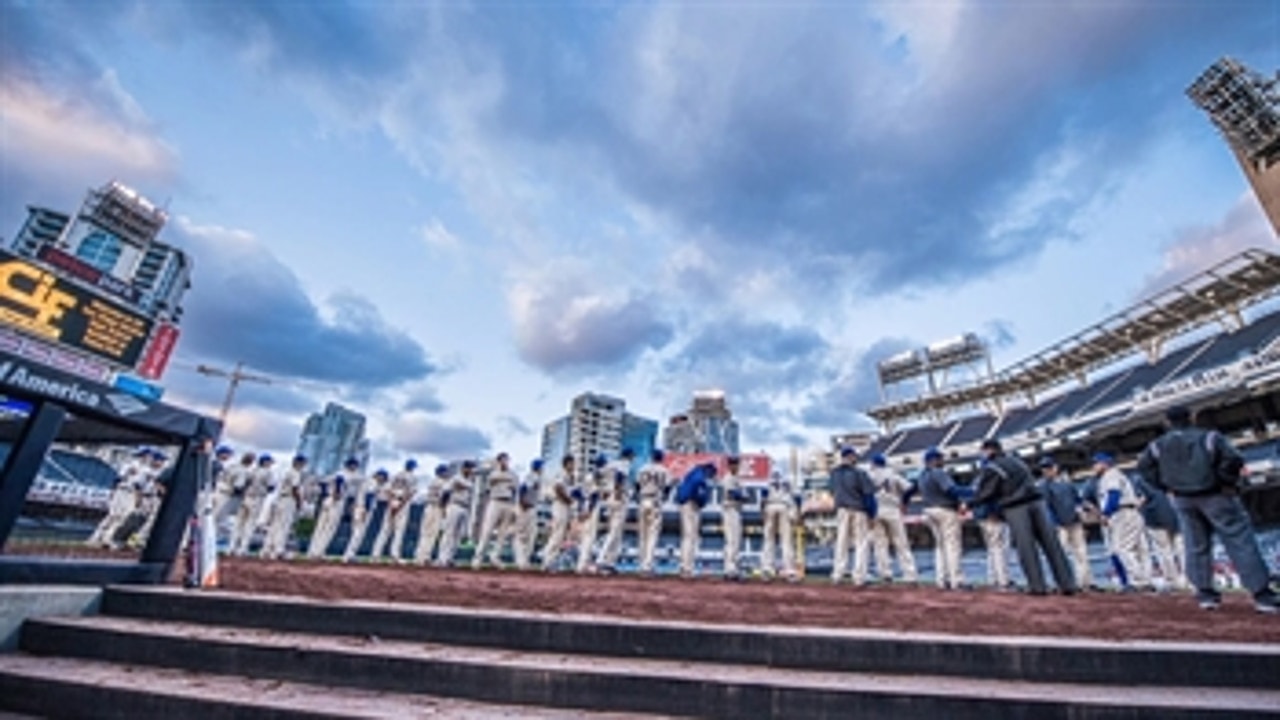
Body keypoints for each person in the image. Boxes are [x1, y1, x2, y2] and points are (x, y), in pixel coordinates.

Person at [1137, 405, 1278, 613]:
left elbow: (1144, 469)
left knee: (1195, 544)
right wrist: (1224, 480)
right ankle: (1262, 595)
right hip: (1215, 494)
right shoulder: (1210, 437)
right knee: (1239, 541)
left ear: (1167, 422)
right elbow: (1234, 459)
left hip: (1183, 498)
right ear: (1192, 417)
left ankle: (1206, 595)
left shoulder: (1157, 445)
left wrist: (1166, 486)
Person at [973, 440, 1076, 596]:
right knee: (1052, 544)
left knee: (1026, 547)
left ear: (989, 450)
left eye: (983, 451)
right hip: (1037, 502)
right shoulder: (1018, 462)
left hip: (1016, 506)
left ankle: (1037, 586)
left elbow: (986, 493)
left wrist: (969, 504)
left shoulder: (993, 467)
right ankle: (1067, 584)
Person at [1094, 453, 1151, 591]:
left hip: (1123, 513)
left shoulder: (1110, 475)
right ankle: (1145, 580)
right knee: (1139, 549)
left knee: (1122, 549)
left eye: (1097, 463)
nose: (1094, 466)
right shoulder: (1118, 475)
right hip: (1131, 512)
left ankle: (1138, 581)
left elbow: (1114, 495)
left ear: (1105, 464)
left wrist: (1106, 513)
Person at [1039, 458, 1094, 590]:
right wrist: (1054, 524)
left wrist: (1085, 509)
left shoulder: (1067, 484)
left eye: (1049, 467)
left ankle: (1085, 582)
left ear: (1055, 468)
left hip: (1074, 522)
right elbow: (1046, 507)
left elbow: (1078, 500)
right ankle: (1062, 583)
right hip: (1060, 525)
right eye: (1044, 468)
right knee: (1060, 554)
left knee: (1081, 553)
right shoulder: (1044, 486)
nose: (1047, 470)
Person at [918, 447, 967, 590]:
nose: (942, 460)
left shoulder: (922, 475)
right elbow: (951, 490)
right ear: (933, 460)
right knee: (953, 546)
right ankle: (956, 581)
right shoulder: (938, 472)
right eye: (940, 458)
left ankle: (942, 580)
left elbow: (910, 491)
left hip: (928, 510)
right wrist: (971, 491)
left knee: (940, 547)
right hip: (944, 510)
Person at [829, 447, 878, 585]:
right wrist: (872, 514)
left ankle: (837, 574)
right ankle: (859, 577)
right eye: (854, 456)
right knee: (861, 543)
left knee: (841, 542)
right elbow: (868, 495)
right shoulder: (859, 472)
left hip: (842, 509)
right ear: (850, 456)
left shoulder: (834, 473)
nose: (856, 458)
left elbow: (832, 490)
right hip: (858, 509)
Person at [867, 453, 918, 583]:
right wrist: (904, 502)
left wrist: (869, 513)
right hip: (893, 509)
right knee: (901, 542)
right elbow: (911, 488)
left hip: (876, 510)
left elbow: (864, 495)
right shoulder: (893, 474)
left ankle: (885, 573)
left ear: (873, 464)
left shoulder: (869, 476)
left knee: (880, 544)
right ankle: (910, 574)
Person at [1132, 473, 1187, 591]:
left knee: (1164, 550)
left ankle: (1172, 581)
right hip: (1174, 514)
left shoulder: (1140, 478)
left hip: (1155, 518)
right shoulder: (1168, 473)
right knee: (1181, 549)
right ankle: (1188, 580)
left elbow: (1142, 499)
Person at [87, 449, 149, 548]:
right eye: (145, 455)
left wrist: (113, 492)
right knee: (118, 517)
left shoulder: (129, 465)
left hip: (122, 491)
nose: (147, 457)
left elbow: (117, 480)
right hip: (128, 492)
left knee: (115, 516)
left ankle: (100, 538)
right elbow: (137, 485)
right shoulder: (141, 468)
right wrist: (138, 498)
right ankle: (103, 539)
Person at [473, 452, 520, 569]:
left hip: (508, 502)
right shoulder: (493, 473)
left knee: (503, 533)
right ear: (498, 461)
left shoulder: (513, 474)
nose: (505, 462)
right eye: (502, 460)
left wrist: (515, 508)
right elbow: (491, 482)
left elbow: (515, 490)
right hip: (495, 501)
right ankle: (478, 558)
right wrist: (504, 477)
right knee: (487, 530)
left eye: (506, 460)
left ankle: (495, 557)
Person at [309, 457, 360, 559]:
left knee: (321, 526)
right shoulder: (346, 475)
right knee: (329, 527)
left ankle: (313, 550)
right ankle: (319, 552)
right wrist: (336, 493)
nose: (354, 467)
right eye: (353, 465)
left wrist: (325, 494)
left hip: (327, 500)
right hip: (336, 501)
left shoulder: (337, 473)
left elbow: (322, 482)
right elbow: (339, 481)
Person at [596, 449, 635, 574]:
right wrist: (617, 493)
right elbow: (620, 477)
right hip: (618, 499)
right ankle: (601, 559)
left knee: (617, 533)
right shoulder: (624, 464)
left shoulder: (611, 464)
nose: (633, 458)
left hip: (609, 499)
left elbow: (597, 475)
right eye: (632, 456)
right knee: (614, 532)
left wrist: (604, 489)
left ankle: (610, 563)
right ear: (628, 456)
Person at [675, 461, 716, 578]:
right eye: (711, 474)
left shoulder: (693, 473)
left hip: (685, 504)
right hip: (691, 506)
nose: (710, 477)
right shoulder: (699, 476)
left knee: (687, 537)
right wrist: (702, 501)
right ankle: (687, 568)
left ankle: (684, 566)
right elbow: (698, 492)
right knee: (691, 537)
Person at [261, 454, 307, 559]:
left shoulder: (286, 471)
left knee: (275, 525)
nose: (303, 465)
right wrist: (299, 502)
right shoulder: (295, 473)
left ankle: (267, 549)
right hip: (288, 499)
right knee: (284, 525)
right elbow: (295, 489)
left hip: (279, 498)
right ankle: (278, 549)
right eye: (303, 463)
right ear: (298, 463)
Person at [373, 459, 417, 562]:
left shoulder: (396, 475)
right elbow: (410, 493)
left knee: (386, 530)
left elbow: (388, 491)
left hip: (393, 502)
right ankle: (393, 554)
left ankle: (376, 554)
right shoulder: (412, 477)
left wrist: (392, 503)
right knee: (398, 530)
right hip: (402, 504)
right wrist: (400, 505)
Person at [635, 450, 671, 575]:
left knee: (643, 533)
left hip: (643, 499)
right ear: (661, 458)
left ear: (651, 457)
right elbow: (667, 488)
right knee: (653, 534)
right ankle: (648, 565)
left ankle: (641, 564)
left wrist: (639, 497)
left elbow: (637, 485)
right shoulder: (664, 470)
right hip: (655, 500)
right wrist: (664, 497)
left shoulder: (643, 468)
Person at [231, 454, 276, 555]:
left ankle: (232, 546)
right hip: (257, 498)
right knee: (250, 524)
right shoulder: (268, 472)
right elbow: (271, 487)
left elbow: (240, 485)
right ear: (265, 462)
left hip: (245, 497)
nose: (270, 464)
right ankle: (243, 548)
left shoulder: (250, 470)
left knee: (239, 523)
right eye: (269, 462)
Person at [760, 469, 798, 581]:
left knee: (769, 540)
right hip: (784, 506)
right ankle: (789, 570)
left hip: (771, 506)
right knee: (786, 540)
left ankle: (767, 569)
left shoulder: (767, 481)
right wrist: (795, 513)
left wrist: (763, 513)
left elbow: (762, 500)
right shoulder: (787, 480)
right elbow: (795, 498)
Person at [541, 455, 578, 571]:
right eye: (572, 463)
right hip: (559, 504)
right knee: (557, 534)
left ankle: (551, 561)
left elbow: (570, 490)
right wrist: (568, 500)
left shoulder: (570, 476)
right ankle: (547, 560)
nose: (574, 465)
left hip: (565, 506)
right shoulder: (561, 473)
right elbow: (558, 488)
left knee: (560, 535)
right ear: (567, 464)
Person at [437, 459, 476, 566]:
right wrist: (443, 507)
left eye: (471, 468)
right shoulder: (456, 478)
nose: (471, 470)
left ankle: (450, 558)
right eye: (469, 468)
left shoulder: (470, 480)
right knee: (449, 533)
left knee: (458, 535)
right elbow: (445, 491)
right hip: (454, 505)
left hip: (465, 507)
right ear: (464, 468)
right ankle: (442, 558)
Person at [343, 468, 386, 562]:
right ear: (378, 475)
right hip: (363, 508)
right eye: (382, 477)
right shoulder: (373, 483)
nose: (383, 479)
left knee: (355, 532)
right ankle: (349, 555)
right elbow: (369, 496)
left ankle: (349, 554)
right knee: (358, 533)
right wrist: (365, 510)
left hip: (358, 507)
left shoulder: (366, 482)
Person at [414, 464, 450, 565]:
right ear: (442, 473)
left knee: (425, 532)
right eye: (445, 472)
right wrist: (444, 509)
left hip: (428, 507)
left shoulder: (432, 482)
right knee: (432, 533)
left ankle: (419, 556)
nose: (447, 473)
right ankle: (425, 556)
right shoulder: (443, 483)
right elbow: (445, 496)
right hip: (436, 508)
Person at [513, 459, 545, 570]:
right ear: (537, 467)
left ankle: (525, 561)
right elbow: (522, 488)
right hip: (525, 508)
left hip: (532, 507)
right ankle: (520, 561)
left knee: (531, 535)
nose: (543, 469)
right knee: (521, 535)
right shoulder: (532, 476)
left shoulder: (537, 477)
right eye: (541, 467)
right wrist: (522, 502)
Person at [973, 498, 1011, 591]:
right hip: (992, 516)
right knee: (999, 549)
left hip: (982, 516)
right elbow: (990, 495)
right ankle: (1002, 580)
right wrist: (993, 512)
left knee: (992, 549)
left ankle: (993, 579)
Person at [720, 455, 747, 580]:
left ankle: (733, 568)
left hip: (736, 510)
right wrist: (743, 496)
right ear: (729, 465)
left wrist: (743, 495)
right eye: (732, 464)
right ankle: (730, 569)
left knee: (736, 540)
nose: (735, 466)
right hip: (730, 509)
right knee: (731, 540)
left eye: (736, 464)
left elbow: (742, 495)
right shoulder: (728, 478)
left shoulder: (737, 478)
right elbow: (732, 494)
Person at [207, 446, 236, 523]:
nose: (229, 457)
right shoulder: (217, 465)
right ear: (222, 454)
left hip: (212, 490)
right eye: (228, 454)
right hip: (210, 491)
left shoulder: (216, 464)